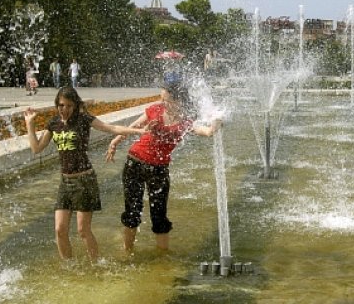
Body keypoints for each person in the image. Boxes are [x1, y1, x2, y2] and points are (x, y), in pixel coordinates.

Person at [24, 86, 148, 262]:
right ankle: (69, 267)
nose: (64, 109)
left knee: (83, 230)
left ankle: (96, 265)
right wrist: (30, 124)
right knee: (60, 229)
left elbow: (111, 128)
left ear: (75, 105)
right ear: (56, 105)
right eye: (61, 105)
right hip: (65, 182)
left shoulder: (83, 120)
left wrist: (139, 132)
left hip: (84, 180)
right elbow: (36, 148)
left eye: (68, 105)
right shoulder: (53, 124)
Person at [105, 81, 222, 252]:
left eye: (166, 100)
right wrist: (115, 141)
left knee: (159, 216)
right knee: (132, 212)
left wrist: (217, 119)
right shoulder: (155, 110)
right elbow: (134, 127)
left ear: (179, 101)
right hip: (135, 163)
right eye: (161, 99)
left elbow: (208, 132)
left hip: (159, 170)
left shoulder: (185, 123)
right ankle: (127, 253)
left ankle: (162, 259)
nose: (162, 103)